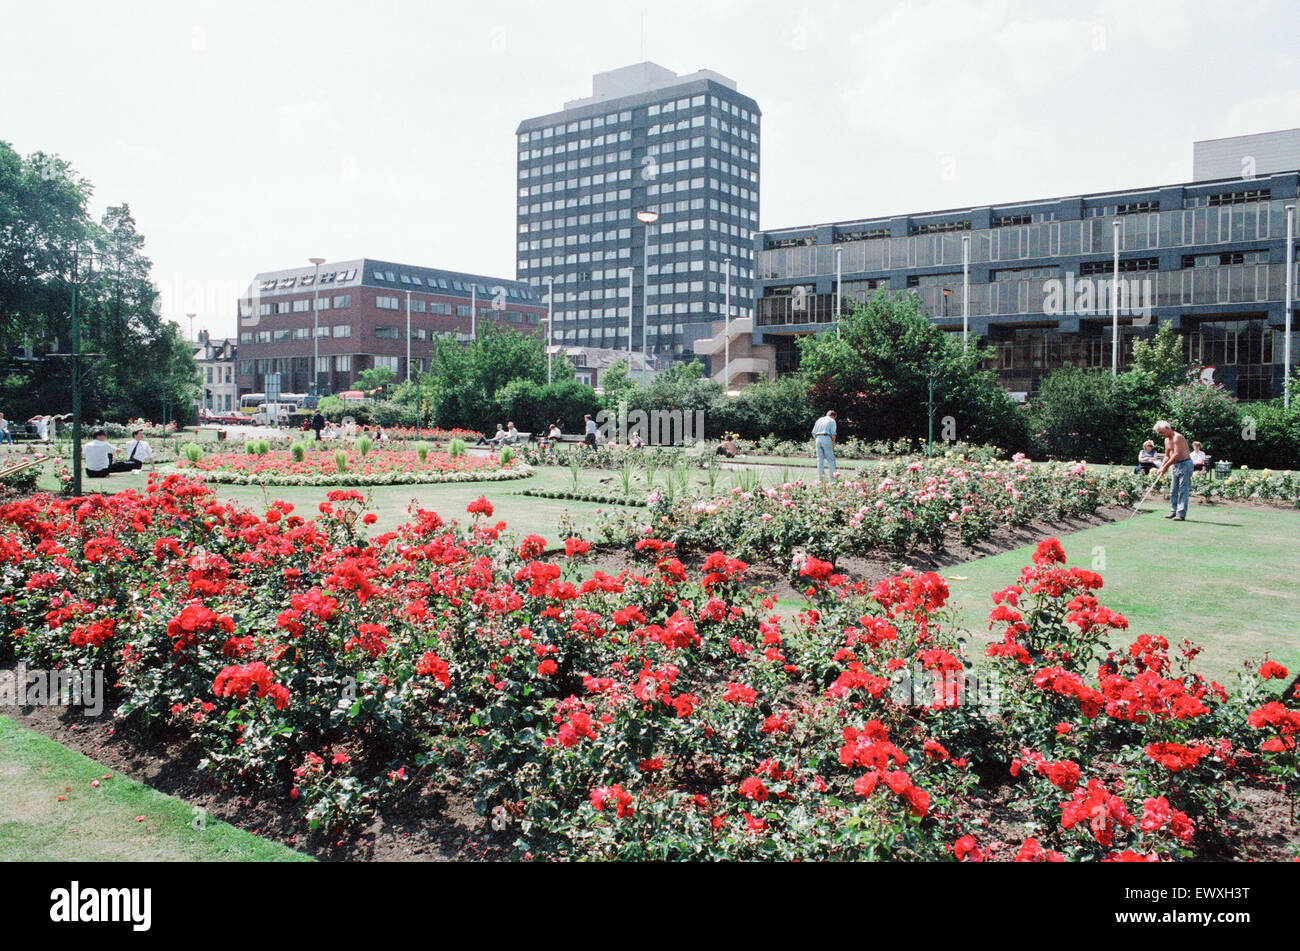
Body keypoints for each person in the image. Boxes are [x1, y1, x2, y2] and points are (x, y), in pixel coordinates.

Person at [1152, 420, 1193, 521]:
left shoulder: (1177, 437)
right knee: (1173, 490)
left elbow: (1176, 454)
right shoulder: (1166, 440)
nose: (1161, 435)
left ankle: (1180, 514)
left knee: (1183, 490)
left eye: (1161, 432)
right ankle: (1173, 512)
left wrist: (1166, 467)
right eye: (1159, 433)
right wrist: (1162, 467)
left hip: (1185, 464)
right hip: (1175, 465)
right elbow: (1167, 455)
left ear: (1167, 428)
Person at [812, 410, 837, 481]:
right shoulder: (832, 421)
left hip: (818, 438)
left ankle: (821, 479)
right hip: (826, 437)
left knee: (820, 460)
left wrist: (817, 440)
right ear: (833, 416)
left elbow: (813, 433)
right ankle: (833, 479)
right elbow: (833, 434)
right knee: (831, 460)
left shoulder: (819, 420)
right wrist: (833, 443)